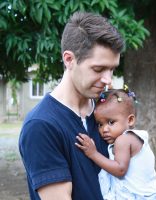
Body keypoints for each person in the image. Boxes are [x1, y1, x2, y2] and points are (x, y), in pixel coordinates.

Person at [18, 11, 124, 200]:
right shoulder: (41, 126)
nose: (108, 80)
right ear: (69, 60)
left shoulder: (107, 112)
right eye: (98, 69)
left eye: (112, 69)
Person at [75, 87, 156, 200]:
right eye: (100, 124)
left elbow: (120, 170)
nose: (104, 129)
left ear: (130, 120)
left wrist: (93, 154)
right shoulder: (136, 137)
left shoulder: (124, 140)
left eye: (111, 122)